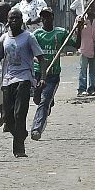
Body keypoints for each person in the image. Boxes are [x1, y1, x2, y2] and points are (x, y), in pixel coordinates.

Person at [0, 8, 46, 158]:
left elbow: (41, 58)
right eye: (11, 18)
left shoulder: (28, 37)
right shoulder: (4, 39)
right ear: (7, 21)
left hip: (24, 78)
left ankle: (19, 149)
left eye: (17, 18)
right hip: (7, 80)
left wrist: (42, 78)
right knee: (8, 118)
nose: (14, 21)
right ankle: (21, 134)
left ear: (21, 21)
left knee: (19, 113)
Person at [30, 8, 73, 141]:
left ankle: (36, 129)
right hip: (38, 73)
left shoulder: (60, 33)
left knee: (43, 101)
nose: (45, 19)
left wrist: (80, 28)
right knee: (37, 99)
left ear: (52, 17)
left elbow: (76, 44)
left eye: (48, 16)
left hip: (53, 75)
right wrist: (40, 60)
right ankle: (48, 104)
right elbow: (31, 54)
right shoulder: (36, 35)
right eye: (43, 17)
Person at [76, 7, 95, 96]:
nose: (91, 10)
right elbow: (75, 32)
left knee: (94, 71)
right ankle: (81, 89)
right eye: (89, 7)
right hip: (84, 47)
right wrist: (79, 25)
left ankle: (92, 89)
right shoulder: (80, 18)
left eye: (92, 7)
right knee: (83, 69)